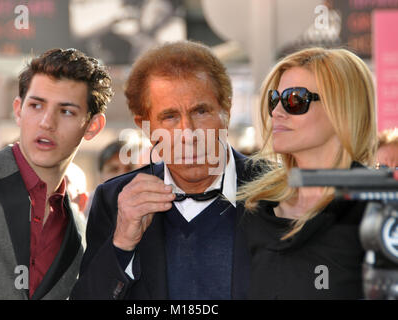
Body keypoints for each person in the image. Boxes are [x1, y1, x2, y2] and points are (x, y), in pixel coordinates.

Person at [70, 40, 259, 299]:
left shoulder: (277, 190)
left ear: (226, 109)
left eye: (201, 111)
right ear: (145, 126)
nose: (188, 134)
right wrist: (122, 243)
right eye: (170, 117)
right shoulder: (114, 201)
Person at [0, 48, 113, 299]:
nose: (47, 122)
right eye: (36, 105)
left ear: (92, 126)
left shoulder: (80, 232)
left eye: (66, 111)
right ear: (18, 110)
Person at [238, 47, 377, 299]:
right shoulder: (256, 207)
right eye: (274, 99)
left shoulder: (375, 207)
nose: (277, 112)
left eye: (295, 100)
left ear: (341, 109)